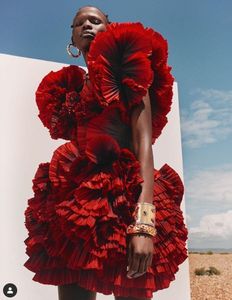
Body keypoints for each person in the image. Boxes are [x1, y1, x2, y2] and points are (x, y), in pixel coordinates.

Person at [24, 5, 188, 300]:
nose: (86, 26)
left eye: (95, 21)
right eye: (79, 23)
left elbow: (143, 146)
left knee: (131, 289)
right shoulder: (69, 89)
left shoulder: (129, 69)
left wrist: (144, 223)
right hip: (76, 203)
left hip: (125, 197)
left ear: (108, 28)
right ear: (72, 40)